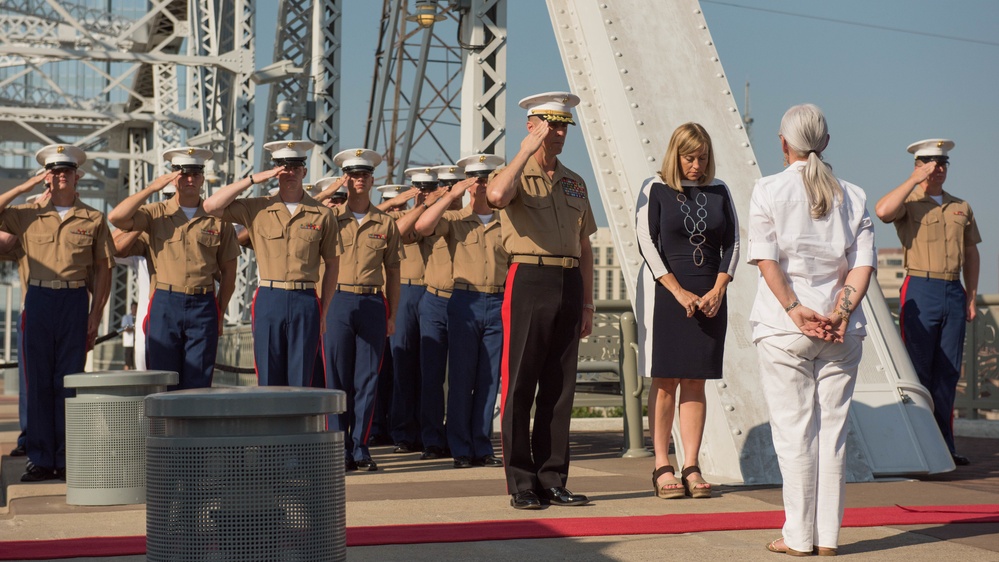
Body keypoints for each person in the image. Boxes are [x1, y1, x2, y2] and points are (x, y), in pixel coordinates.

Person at [747, 104, 876, 556]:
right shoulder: (854, 195)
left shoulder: (768, 189)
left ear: (784, 143)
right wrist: (839, 314)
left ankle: (798, 537)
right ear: (826, 142)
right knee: (833, 434)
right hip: (842, 331)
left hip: (786, 328)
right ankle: (828, 538)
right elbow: (861, 268)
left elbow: (767, 262)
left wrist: (796, 309)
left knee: (794, 434)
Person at [486, 92, 596, 510]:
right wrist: (524, 153)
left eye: (564, 125)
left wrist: (587, 304)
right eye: (550, 125)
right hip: (528, 277)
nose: (559, 132)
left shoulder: (574, 181)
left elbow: (584, 246)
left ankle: (552, 478)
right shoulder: (513, 173)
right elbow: (496, 197)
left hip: (568, 281)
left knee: (559, 387)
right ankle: (521, 483)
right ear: (532, 126)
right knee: (520, 384)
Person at [635, 123, 738, 499]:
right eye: (689, 157)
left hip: (711, 297)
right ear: (675, 155)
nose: (696, 165)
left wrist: (719, 288)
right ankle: (662, 464)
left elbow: (734, 243)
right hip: (669, 295)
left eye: (702, 158)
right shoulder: (655, 188)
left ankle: (690, 464)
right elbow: (646, 242)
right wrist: (677, 291)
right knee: (665, 381)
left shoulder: (720, 190)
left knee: (696, 380)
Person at [0, 144, 114, 482]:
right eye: (53, 170)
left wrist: (95, 316)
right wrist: (25, 187)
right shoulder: (26, 214)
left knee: (68, 382)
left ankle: (67, 459)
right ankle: (39, 458)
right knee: (38, 382)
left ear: (77, 175)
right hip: (37, 299)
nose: (59, 174)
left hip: (74, 301)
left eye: (65, 169)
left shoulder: (93, 218)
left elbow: (104, 269)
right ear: (46, 175)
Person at [874, 139, 980, 467]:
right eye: (931, 164)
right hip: (920, 288)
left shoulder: (961, 206)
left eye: (943, 164)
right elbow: (882, 211)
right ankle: (919, 446)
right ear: (918, 166)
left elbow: (972, 252)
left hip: (953, 291)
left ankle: (944, 447)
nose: (938, 170)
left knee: (947, 373)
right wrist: (913, 180)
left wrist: (972, 294)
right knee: (919, 371)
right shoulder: (910, 201)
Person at [203, 140, 340, 386]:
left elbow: (332, 264)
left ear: (304, 171)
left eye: (296, 166)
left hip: (306, 299)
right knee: (268, 376)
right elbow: (211, 206)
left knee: (302, 379)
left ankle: (299, 426)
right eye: (283, 167)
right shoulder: (256, 208)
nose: (289, 172)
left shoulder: (323, 214)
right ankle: (271, 425)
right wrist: (254, 179)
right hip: (269, 297)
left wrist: (325, 311)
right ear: (275, 170)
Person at [109, 147, 239, 389]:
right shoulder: (155, 213)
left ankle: (193, 427)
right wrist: (152, 188)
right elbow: (116, 218)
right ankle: (165, 429)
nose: (190, 179)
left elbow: (230, 272)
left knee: (198, 382)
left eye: (195, 174)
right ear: (172, 177)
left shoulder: (219, 220)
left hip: (204, 305)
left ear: (202, 178)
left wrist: (220, 312)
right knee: (162, 379)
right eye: (182, 174)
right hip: (165, 303)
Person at [416, 154, 508, 469]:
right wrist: (451, 195)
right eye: (476, 178)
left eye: (487, 177)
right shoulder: (456, 221)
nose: (481, 183)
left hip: (497, 302)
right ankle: (461, 448)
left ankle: (482, 445)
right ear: (468, 184)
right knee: (461, 377)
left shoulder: (506, 220)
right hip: (464, 303)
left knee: (488, 380)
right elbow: (423, 226)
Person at [325, 148, 401, 472]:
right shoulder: (328, 218)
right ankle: (338, 447)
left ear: (372, 180)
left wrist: (393, 314)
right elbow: (303, 207)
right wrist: (330, 191)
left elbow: (394, 271)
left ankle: (360, 447)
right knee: (337, 379)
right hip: (337, 301)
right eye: (353, 175)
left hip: (372, 302)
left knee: (368, 379)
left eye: (364, 175)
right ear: (346, 179)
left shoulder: (386, 222)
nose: (359, 180)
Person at [121, 302, 137, 370]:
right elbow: (125, 328)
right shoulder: (126, 317)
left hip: (136, 344)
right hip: (129, 343)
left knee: (135, 362)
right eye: (134, 308)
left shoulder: (138, 317)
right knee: (128, 362)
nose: (135, 309)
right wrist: (133, 329)